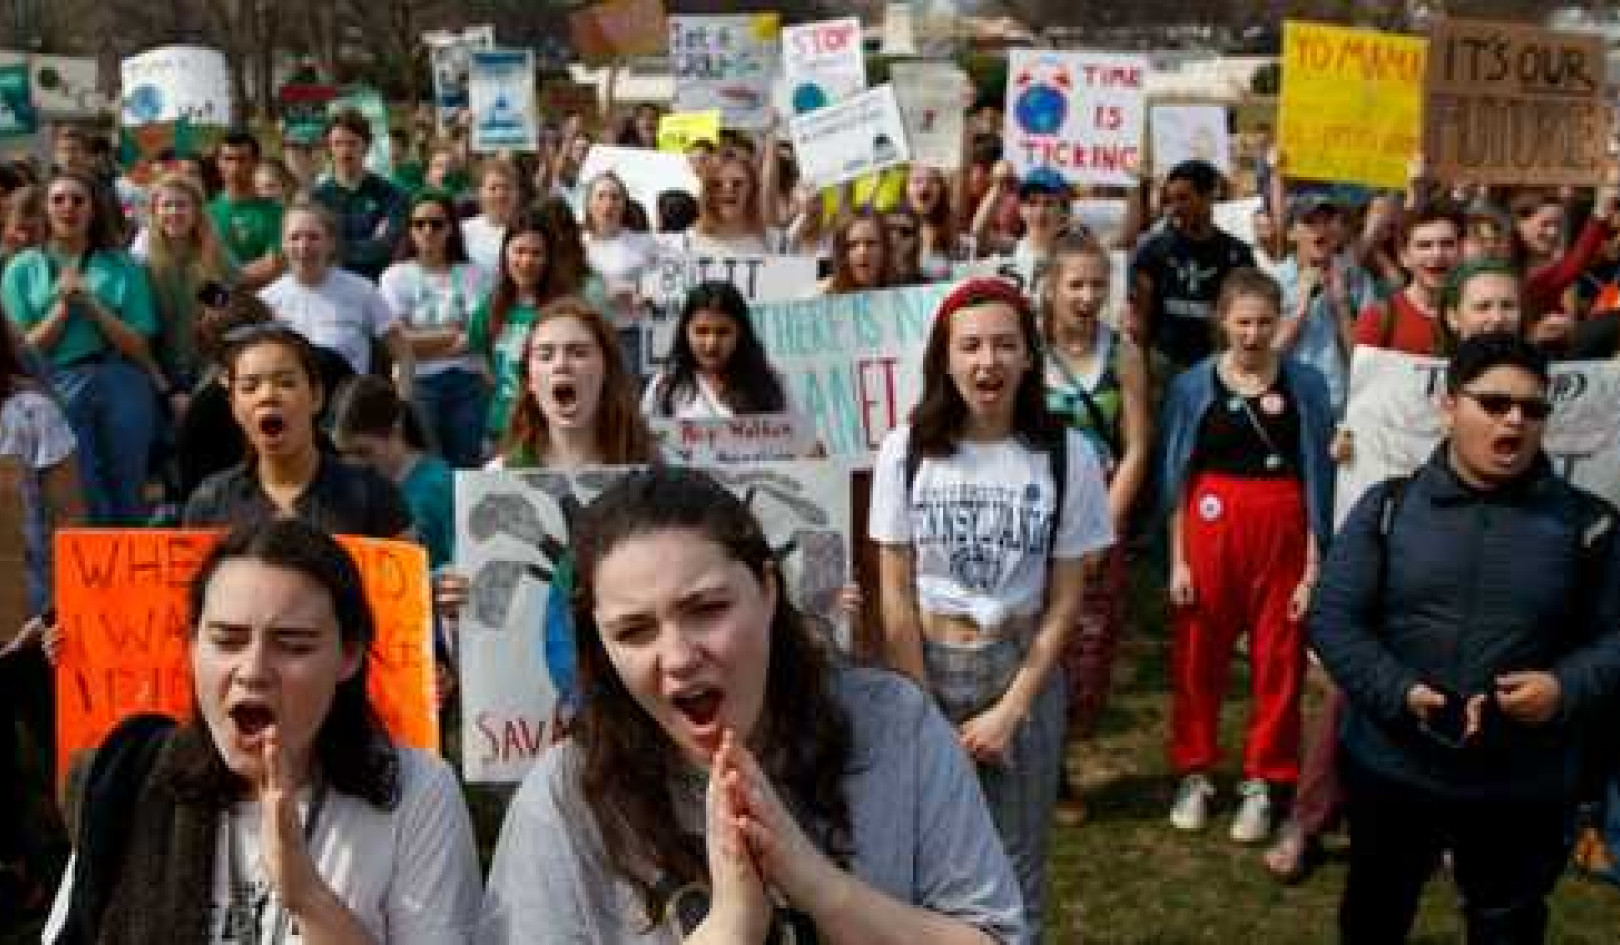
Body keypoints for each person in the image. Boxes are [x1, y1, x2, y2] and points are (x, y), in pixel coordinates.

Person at [480, 466, 1025, 943]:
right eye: (634, 630)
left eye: (707, 609)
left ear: (767, 590)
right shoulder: (563, 803)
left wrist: (820, 888)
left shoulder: (894, 726)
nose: (677, 657)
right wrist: (733, 923)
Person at [1310, 332, 1620, 943]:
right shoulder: (1386, 507)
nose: (1515, 421)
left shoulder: (1590, 524)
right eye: (1495, 403)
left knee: (1507, 925)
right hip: (1392, 767)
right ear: (1449, 406)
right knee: (1374, 917)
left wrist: (1561, 689)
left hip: (1522, 784)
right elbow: (1334, 619)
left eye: (1532, 410)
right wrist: (1401, 692)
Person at [42, 517, 483, 943]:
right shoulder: (131, 783)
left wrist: (306, 895)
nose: (252, 671)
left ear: (349, 655)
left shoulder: (417, 792)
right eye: (227, 641)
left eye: (293, 646)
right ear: (193, 648)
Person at [870, 277, 1114, 939]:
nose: (988, 361)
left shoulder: (1068, 454)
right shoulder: (906, 450)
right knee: (925, 860)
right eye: (971, 345)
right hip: (927, 666)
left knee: (1014, 867)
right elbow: (894, 588)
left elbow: (1067, 598)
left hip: (1020, 669)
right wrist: (920, 708)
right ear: (944, 359)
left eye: (1006, 344)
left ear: (1029, 357)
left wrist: (1013, 708)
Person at [1156, 268, 1334, 843]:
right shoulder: (1191, 386)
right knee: (1197, 653)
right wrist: (1178, 560)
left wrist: (1314, 566)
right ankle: (1195, 770)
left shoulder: (1306, 385)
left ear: (1280, 321)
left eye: (1264, 322)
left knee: (1279, 656)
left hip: (1282, 528)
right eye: (1242, 322)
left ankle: (1265, 778)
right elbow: (1177, 480)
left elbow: (1319, 481)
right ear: (1223, 322)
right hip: (1210, 529)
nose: (1253, 334)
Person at [1040, 235, 1151, 795]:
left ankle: (1063, 750)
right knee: (1032, 630)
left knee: (1088, 636)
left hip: (1100, 504)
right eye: (1076, 284)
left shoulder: (1124, 354)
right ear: (1052, 287)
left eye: (1097, 285)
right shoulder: (1026, 351)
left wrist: (1102, 527)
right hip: (1036, 504)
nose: (1086, 296)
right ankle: (1036, 752)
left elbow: (1136, 446)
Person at [1, 170, 160, 525]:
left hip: (120, 378)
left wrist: (92, 305)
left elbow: (141, 346)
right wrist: (62, 309)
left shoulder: (123, 266)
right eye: (58, 200)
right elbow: (22, 352)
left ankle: (129, 572)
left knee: (127, 486)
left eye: (78, 200)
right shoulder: (21, 269)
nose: (68, 208)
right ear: (45, 208)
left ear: (93, 209)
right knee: (78, 487)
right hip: (55, 384)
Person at [182, 321, 412, 538]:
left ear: (316, 397)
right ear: (234, 407)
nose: (267, 396)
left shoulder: (374, 496)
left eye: (286, 383)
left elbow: (404, 576)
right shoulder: (210, 502)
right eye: (250, 387)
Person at [378, 191, 492, 468]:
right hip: (419, 384)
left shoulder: (475, 275)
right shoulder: (395, 277)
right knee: (428, 467)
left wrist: (420, 341)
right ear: (410, 230)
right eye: (420, 223)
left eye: (437, 223)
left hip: (469, 383)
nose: (428, 230)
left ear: (451, 228)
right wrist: (454, 332)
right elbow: (399, 341)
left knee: (467, 467)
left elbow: (479, 336)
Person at [260, 201, 416, 397]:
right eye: (294, 237)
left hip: (348, 414)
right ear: (283, 243)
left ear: (330, 243)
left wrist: (400, 405)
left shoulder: (362, 291)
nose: (303, 246)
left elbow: (404, 355)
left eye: (313, 237)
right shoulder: (266, 301)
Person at [466, 210, 593, 441]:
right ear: (505, 253)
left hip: (551, 428)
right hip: (501, 427)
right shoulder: (491, 306)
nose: (526, 261)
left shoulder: (566, 307)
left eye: (536, 253)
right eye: (519, 251)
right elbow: (478, 351)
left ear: (549, 258)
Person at [496, 297, 656, 471]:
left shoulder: (656, 469)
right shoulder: (498, 475)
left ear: (607, 371)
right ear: (530, 381)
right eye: (545, 356)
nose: (560, 364)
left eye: (579, 353)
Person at [1131, 159, 1257, 372]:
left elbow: (1244, 314)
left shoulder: (1237, 254)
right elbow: (1141, 315)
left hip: (1217, 365)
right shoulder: (1154, 250)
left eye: (1183, 199)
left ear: (1208, 196)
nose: (1175, 208)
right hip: (1163, 365)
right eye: (1170, 201)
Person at [330, 374, 453, 572]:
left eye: (363, 452)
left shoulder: (440, 485)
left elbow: (460, 563)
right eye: (343, 453)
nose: (353, 465)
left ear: (396, 428)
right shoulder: (341, 486)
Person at [1271, 193, 1376, 412]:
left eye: (1328, 221)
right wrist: (1299, 310)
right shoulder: (1273, 280)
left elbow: (1364, 360)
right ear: (1291, 233)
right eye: (1309, 222)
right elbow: (1268, 353)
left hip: (1339, 404)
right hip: (1288, 401)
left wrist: (1342, 305)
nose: (1321, 229)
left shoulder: (1357, 278)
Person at [137, 173, 237, 401]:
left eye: (182, 204)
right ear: (155, 212)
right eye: (166, 205)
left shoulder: (213, 254)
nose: (174, 212)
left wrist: (218, 310)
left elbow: (223, 307)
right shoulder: (142, 260)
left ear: (196, 211)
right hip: (156, 370)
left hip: (206, 364)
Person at [641, 281, 788, 420]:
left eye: (723, 332)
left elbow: (795, 438)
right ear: (685, 332)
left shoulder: (770, 382)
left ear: (740, 333)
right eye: (701, 331)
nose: (711, 343)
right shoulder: (665, 386)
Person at [311, 109, 409, 281]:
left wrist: (337, 247)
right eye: (338, 143)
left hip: (380, 284)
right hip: (333, 285)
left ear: (366, 145)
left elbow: (390, 245)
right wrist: (373, 243)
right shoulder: (316, 200)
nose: (345, 151)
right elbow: (317, 249)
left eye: (352, 143)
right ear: (328, 148)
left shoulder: (392, 194)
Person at [1354, 204, 1464, 356]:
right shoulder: (1377, 319)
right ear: (1404, 257)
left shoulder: (1480, 316)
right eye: (1424, 246)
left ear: (1461, 252)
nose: (1437, 254)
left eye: (1447, 244)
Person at [209, 130, 285, 291]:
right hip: (220, 305)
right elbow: (201, 271)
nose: (235, 167)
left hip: (266, 304)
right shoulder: (204, 213)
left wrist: (225, 278)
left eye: (242, 159)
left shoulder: (276, 212)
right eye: (228, 159)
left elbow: (273, 267)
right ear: (218, 163)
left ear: (256, 162)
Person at [461, 160, 520, 273]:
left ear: (516, 193)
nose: (500, 194)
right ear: (480, 193)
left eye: (506, 188)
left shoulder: (527, 231)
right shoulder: (464, 231)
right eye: (493, 188)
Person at [821, 209, 895, 295]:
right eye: (853, 244)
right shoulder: (827, 299)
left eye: (870, 243)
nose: (862, 251)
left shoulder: (904, 293)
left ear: (885, 249)